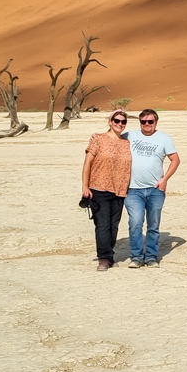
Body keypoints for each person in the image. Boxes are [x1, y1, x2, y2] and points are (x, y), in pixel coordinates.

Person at [124, 109, 180, 268]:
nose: (147, 124)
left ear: (156, 122)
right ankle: (136, 257)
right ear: (140, 122)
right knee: (135, 223)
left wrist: (165, 179)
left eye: (150, 122)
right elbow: (113, 138)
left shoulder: (164, 138)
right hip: (133, 190)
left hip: (156, 190)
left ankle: (151, 257)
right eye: (143, 122)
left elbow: (175, 160)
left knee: (153, 225)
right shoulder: (130, 136)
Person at [82, 110, 132, 271]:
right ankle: (103, 258)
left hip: (119, 189)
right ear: (110, 121)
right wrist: (85, 185)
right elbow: (87, 163)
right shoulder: (98, 138)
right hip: (99, 187)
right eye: (117, 120)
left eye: (123, 122)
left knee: (113, 225)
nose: (120, 124)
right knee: (102, 224)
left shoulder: (127, 143)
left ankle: (109, 255)